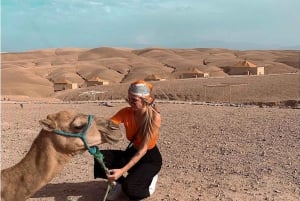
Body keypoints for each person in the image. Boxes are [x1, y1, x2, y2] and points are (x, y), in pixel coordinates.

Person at [94, 80, 163, 201]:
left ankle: (150, 185)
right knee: (100, 157)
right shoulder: (126, 112)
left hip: (149, 159)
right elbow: (108, 126)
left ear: (144, 100)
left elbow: (142, 151)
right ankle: (119, 184)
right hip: (133, 152)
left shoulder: (154, 118)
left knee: (131, 189)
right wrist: (90, 138)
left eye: (134, 100)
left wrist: (122, 171)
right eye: (129, 98)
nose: (130, 102)